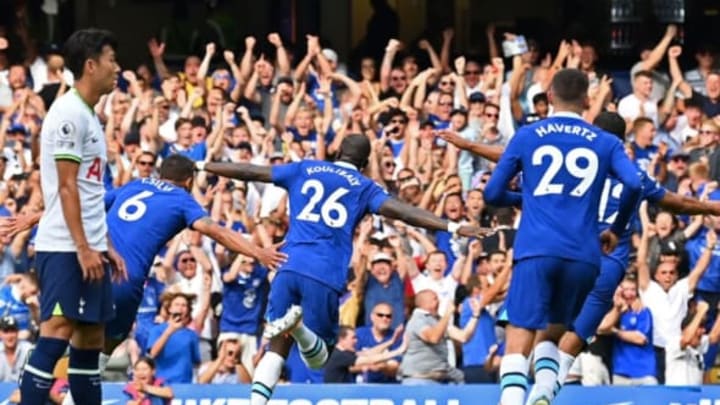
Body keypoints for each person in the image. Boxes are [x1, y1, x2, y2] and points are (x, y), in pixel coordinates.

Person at [440, 111, 720, 403]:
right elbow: (679, 203)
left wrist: (470, 146)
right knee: (570, 345)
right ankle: (545, 393)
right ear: (622, 141)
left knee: (532, 333)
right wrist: (712, 208)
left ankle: (518, 393)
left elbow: (513, 156)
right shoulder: (633, 174)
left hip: (567, 252)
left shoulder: (573, 167)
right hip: (606, 267)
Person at [197, 134, 487, 405]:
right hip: (323, 273)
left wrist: (202, 165)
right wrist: (452, 226)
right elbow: (404, 212)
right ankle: (298, 328)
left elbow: (252, 171)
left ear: (337, 151)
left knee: (276, 347)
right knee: (319, 358)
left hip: (287, 265)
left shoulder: (305, 168)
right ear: (363, 164)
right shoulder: (363, 186)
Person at [483, 69, 643, 405]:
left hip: (537, 249)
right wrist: (616, 228)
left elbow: (493, 193)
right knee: (553, 330)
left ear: (550, 96)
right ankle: (543, 392)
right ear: (587, 100)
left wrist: (526, 199)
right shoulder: (605, 141)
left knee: (519, 335)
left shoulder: (528, 134)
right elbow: (634, 183)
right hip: (584, 257)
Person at [19, 28, 126, 405]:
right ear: (91, 65)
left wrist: (104, 244)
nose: (118, 68)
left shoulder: (88, 116)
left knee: (90, 342)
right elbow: (65, 187)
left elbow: (88, 190)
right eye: (112, 60)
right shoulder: (67, 114)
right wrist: (82, 247)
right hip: (66, 248)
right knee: (56, 336)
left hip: (89, 247)